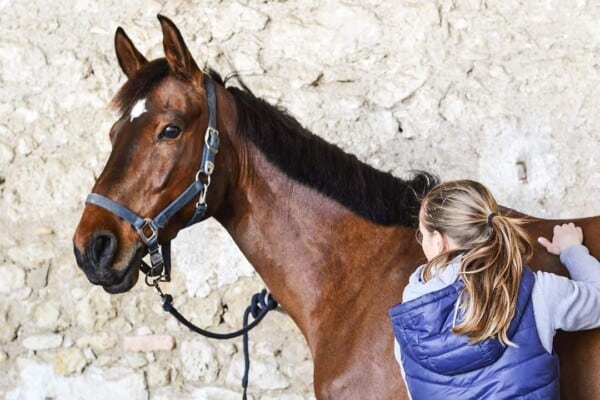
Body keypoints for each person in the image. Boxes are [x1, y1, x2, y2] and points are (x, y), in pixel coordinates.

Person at [389, 179, 600, 399]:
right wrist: (572, 249)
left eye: (422, 234)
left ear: (439, 242)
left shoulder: (408, 328)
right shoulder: (538, 292)